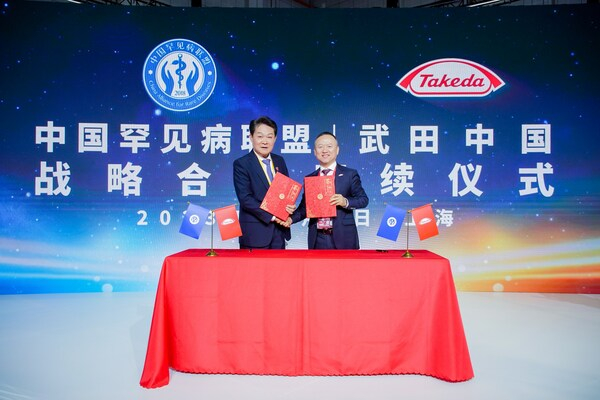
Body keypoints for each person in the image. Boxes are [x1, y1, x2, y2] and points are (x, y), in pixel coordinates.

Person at [291, 131, 369, 249]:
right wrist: (290, 220)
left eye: (329, 146)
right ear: (315, 152)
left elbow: (363, 200)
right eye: (320, 147)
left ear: (337, 150)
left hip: (344, 237)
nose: (325, 150)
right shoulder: (310, 178)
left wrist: (345, 202)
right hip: (317, 238)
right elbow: (304, 208)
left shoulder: (349, 174)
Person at [233, 116, 295, 249]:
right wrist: (273, 216)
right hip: (255, 234)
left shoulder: (279, 161)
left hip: (279, 232)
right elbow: (245, 199)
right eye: (260, 136)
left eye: (269, 137)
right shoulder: (242, 164)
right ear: (251, 137)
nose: (265, 141)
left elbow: (285, 193)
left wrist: (289, 206)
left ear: (275, 139)